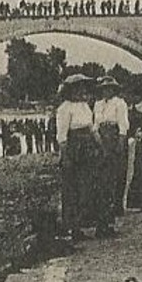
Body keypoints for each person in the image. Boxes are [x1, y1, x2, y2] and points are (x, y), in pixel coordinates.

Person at [54, 75, 100, 239]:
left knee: (85, 187)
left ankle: (80, 223)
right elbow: (62, 136)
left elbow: (92, 128)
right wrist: (65, 157)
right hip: (73, 149)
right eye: (78, 88)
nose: (82, 91)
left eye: (83, 88)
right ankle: (72, 227)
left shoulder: (85, 106)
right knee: (71, 189)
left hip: (87, 149)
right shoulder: (64, 108)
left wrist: (99, 145)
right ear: (70, 90)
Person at [93, 76, 131, 228]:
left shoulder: (120, 103)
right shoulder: (97, 104)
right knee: (103, 174)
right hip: (101, 136)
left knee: (117, 171)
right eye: (104, 89)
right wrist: (97, 139)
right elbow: (95, 124)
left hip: (114, 135)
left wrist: (121, 142)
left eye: (109, 88)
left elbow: (123, 124)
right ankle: (104, 208)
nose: (106, 91)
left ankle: (117, 204)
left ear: (114, 90)